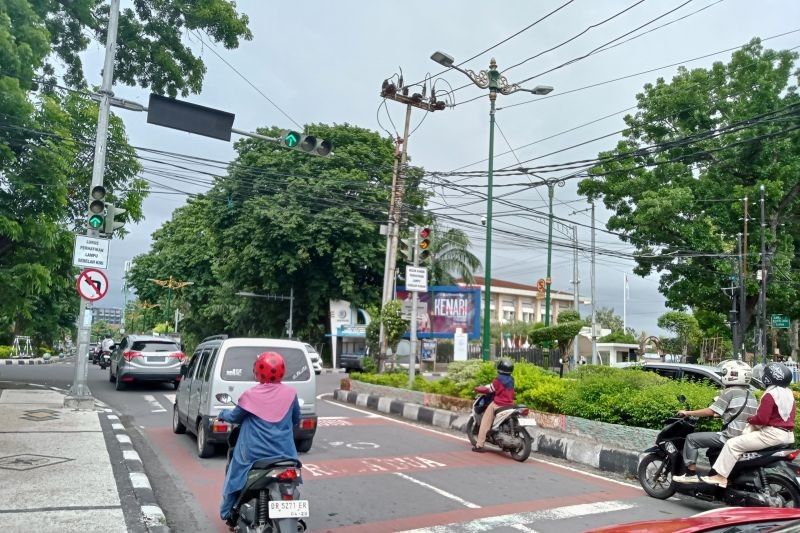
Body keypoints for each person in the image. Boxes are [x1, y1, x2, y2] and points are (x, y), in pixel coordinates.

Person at [218, 352, 301, 528]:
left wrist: (221, 414)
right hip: (285, 454)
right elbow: (295, 420)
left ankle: (226, 512)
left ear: (257, 371)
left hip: (255, 453)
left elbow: (235, 416)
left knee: (235, 471)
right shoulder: (291, 394)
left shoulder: (250, 395)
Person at [701, 362, 796, 488]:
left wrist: (750, 419)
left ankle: (720, 477)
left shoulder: (770, 394)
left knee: (732, 444)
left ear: (768, 377)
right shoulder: (788, 394)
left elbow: (762, 419)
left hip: (771, 434)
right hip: (787, 436)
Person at [672, 360, 757, 483]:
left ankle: (690, 474)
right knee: (712, 451)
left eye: (725, 373)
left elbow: (710, 411)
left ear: (732, 375)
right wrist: (720, 415)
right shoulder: (751, 394)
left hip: (730, 436)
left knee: (691, 439)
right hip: (745, 436)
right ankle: (716, 474)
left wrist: (688, 413)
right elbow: (738, 412)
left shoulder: (729, 391)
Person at [472, 359, 515, 453]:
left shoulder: (498, 379)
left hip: (498, 404)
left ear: (500, 368)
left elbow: (489, 390)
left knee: (485, 422)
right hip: (510, 404)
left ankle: (479, 445)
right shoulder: (512, 379)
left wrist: (478, 389)